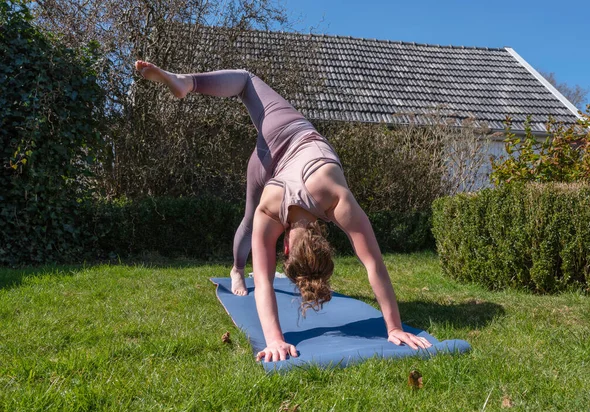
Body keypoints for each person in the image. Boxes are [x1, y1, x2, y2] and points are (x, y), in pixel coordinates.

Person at [134, 61, 432, 362]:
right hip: (274, 158)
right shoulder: (277, 209)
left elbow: (374, 265)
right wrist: (392, 328)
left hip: (283, 135)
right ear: (286, 246)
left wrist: (392, 325)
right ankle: (237, 270)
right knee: (252, 220)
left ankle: (188, 82)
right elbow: (267, 281)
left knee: (246, 81)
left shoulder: (336, 199)